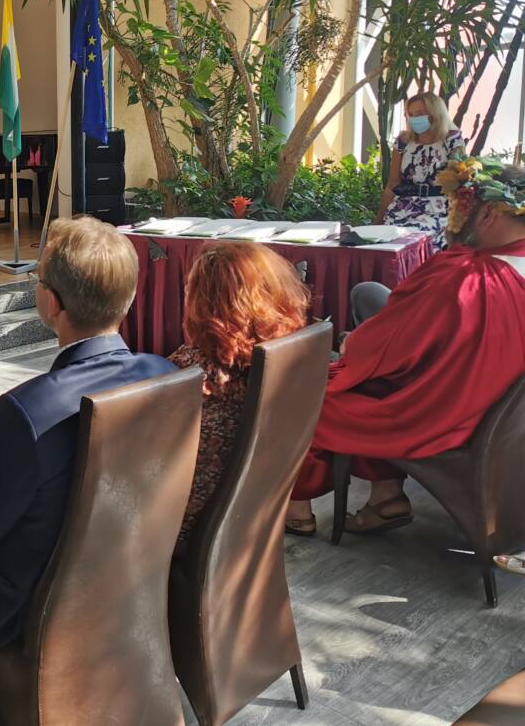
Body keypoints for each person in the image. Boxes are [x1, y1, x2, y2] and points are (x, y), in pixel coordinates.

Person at [0, 216, 176, 661]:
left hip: (34, 608)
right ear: (129, 297)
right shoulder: (167, 376)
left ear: (51, 302)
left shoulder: (27, 411)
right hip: (129, 582)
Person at [287, 157, 525, 535]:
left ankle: (297, 509)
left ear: (489, 213)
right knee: (377, 380)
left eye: (462, 208)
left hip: (455, 421)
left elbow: (397, 347)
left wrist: (354, 346)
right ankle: (385, 498)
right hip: (506, 424)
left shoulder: (467, 274)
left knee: (314, 394)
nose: (456, 220)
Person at [168, 243, 310, 548]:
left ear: (202, 302)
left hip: (184, 530)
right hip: (246, 521)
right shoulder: (285, 356)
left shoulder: (190, 374)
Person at [376, 90, 467, 249]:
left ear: (435, 113)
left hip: (437, 209)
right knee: (387, 244)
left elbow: (458, 182)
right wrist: (377, 222)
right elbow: (392, 185)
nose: (414, 119)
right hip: (403, 207)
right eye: (410, 115)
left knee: (416, 243)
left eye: (419, 114)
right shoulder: (404, 141)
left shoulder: (451, 140)